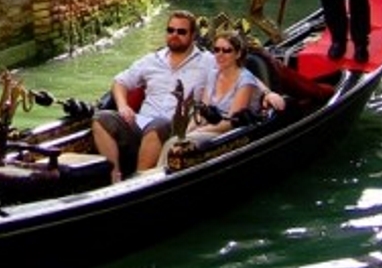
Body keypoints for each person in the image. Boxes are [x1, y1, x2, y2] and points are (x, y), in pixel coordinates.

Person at [91, 11, 282, 182]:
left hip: (172, 125)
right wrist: (123, 106)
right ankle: (114, 176)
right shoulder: (151, 60)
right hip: (138, 121)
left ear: (192, 36)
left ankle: (138, 181)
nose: (174, 35)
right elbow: (120, 82)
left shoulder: (209, 61)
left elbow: (243, 76)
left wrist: (268, 92)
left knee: (157, 125)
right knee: (101, 119)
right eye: (170, 30)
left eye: (181, 32)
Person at [155, 31, 282, 168]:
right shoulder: (213, 74)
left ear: (237, 54)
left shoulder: (245, 81)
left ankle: (163, 174)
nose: (220, 55)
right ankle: (155, 174)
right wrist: (188, 131)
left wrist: (198, 132)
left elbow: (231, 123)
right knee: (174, 141)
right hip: (209, 127)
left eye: (226, 50)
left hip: (228, 133)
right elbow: (202, 111)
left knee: (180, 147)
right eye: (216, 50)